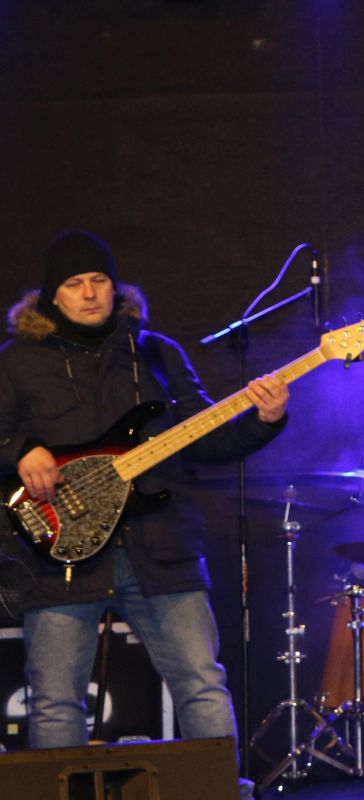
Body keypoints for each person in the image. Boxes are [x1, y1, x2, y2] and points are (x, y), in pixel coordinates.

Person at [0, 230, 288, 793]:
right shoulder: (16, 361)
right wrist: (20, 452)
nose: (90, 293)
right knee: (55, 699)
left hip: (161, 547)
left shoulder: (156, 352)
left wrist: (266, 420)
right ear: (51, 296)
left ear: (116, 287)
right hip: (60, 555)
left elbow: (206, 441)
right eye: (75, 283)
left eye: (99, 280)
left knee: (202, 685)